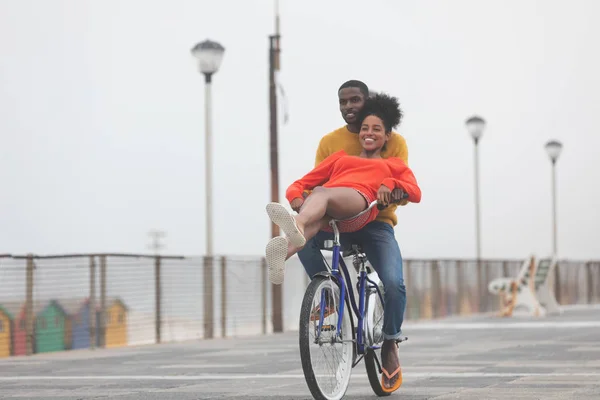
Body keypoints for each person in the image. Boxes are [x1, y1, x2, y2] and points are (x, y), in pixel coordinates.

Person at [265, 90, 420, 393]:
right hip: (331, 215)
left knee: (393, 283)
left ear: (387, 135)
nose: (369, 133)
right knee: (316, 212)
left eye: (376, 129)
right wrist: (296, 197)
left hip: (366, 212)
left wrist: (390, 185)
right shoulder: (337, 155)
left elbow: (413, 190)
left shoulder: (390, 162)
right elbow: (302, 183)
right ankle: (284, 258)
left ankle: (390, 341)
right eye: (366, 129)